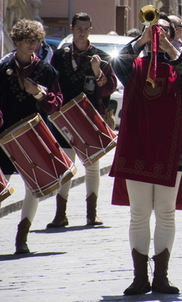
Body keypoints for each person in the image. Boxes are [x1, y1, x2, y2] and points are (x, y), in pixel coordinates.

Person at [110, 14, 182, 295]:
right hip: (138, 145)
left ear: (173, 35)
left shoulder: (178, 66)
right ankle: (140, 277)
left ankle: (161, 276)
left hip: (171, 149)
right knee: (139, 214)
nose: (158, 34)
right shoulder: (135, 66)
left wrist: (172, 50)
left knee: (165, 213)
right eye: (155, 30)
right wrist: (142, 40)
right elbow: (116, 63)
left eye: (165, 30)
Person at [0, 19, 63, 254]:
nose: (32, 45)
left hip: (34, 134)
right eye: (27, 40)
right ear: (16, 41)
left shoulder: (46, 71)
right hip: (3, 136)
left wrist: (38, 94)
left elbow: (56, 103)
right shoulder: (1, 68)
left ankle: (22, 237)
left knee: (34, 188)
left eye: (36, 40)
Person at [47, 13, 118, 228]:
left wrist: (98, 72)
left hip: (90, 117)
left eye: (86, 28)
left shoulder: (100, 56)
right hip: (63, 119)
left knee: (92, 166)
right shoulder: (59, 56)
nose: (82, 32)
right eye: (79, 28)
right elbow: (50, 82)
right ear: (71, 28)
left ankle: (91, 214)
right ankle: (61, 214)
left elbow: (109, 88)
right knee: (66, 166)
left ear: (90, 29)